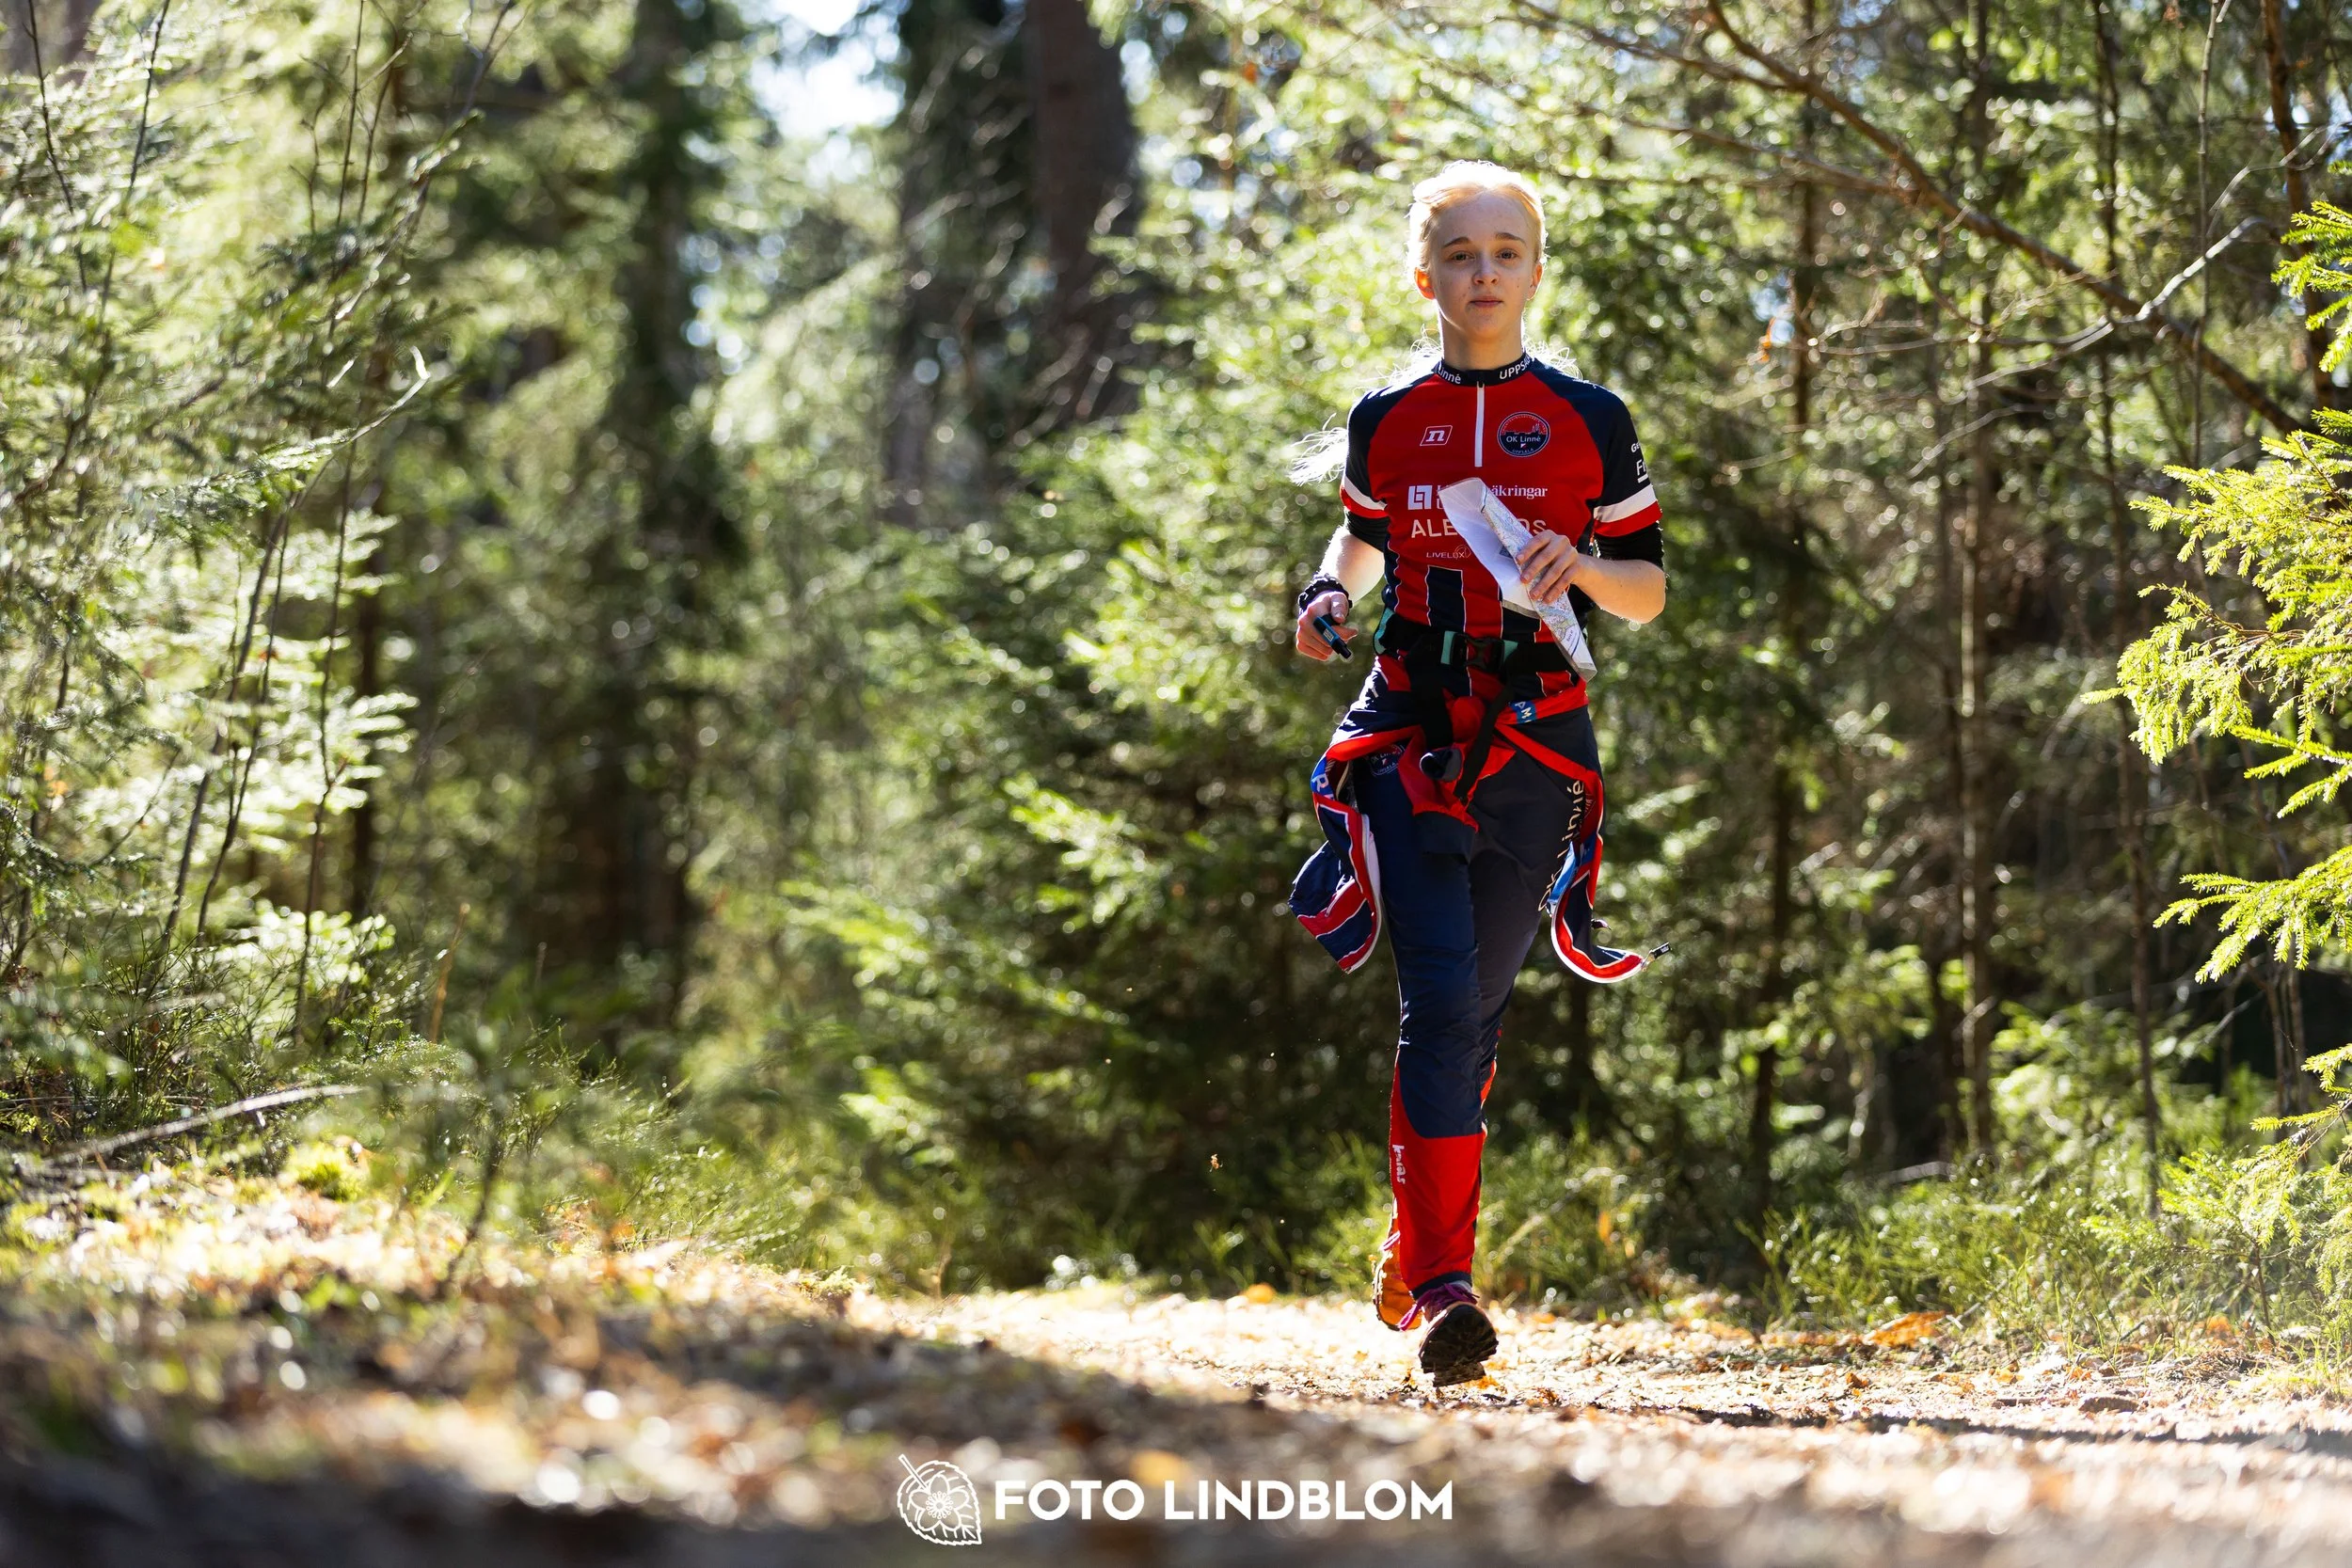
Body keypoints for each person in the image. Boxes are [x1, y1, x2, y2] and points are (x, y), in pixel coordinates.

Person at [1288, 162, 1668, 1387]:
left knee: (1480, 1004)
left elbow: (1648, 591)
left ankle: (1416, 1242)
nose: (1484, 272)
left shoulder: (1590, 417)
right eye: (1461, 254)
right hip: (1409, 724)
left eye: (1507, 251)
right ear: (1426, 276)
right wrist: (1330, 586)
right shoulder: (1385, 417)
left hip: (1539, 740)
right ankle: (1449, 1285)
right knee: (1440, 1000)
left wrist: (1585, 567)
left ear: (1536, 271)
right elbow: (1362, 525)